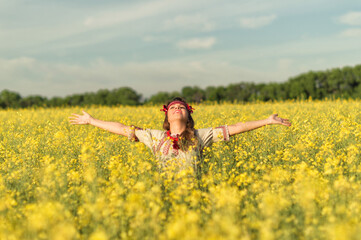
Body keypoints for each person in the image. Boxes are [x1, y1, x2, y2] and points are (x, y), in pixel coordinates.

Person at [69, 97, 291, 172]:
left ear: (188, 115)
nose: (177, 108)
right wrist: (91, 121)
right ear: (167, 117)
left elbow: (236, 127)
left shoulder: (200, 136)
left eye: (181, 107)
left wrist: (267, 121)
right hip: (163, 196)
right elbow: (122, 129)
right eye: (173, 107)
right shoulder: (155, 136)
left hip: (194, 196)